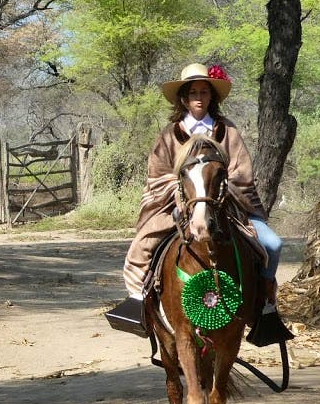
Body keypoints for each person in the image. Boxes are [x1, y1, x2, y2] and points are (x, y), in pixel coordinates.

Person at [120, 62, 283, 334]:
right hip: (176, 204)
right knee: (143, 245)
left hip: (225, 204)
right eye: (193, 92)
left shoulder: (226, 130)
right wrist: (182, 190)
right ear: (184, 97)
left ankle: (264, 304)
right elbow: (157, 174)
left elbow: (241, 171)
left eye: (204, 92)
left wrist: (217, 189)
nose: (199, 98)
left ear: (212, 97)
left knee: (273, 245)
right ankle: (140, 302)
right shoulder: (170, 134)